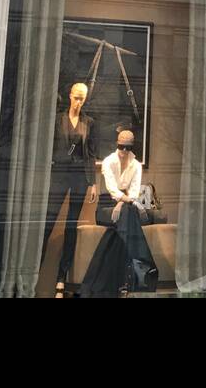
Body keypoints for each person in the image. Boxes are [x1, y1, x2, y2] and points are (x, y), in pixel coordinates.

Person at [80, 130, 158, 297]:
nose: (123, 151)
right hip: (106, 206)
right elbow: (112, 189)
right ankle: (141, 266)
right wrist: (122, 202)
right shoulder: (109, 162)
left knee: (127, 212)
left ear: (131, 147)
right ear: (117, 143)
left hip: (125, 208)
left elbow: (135, 191)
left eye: (127, 148)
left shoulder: (136, 165)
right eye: (121, 146)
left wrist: (122, 204)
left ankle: (119, 279)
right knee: (128, 212)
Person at [40, 82, 98, 297]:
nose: (78, 102)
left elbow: (91, 153)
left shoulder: (88, 123)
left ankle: (61, 278)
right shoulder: (58, 119)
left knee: (71, 226)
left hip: (79, 177)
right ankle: (32, 269)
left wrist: (92, 182)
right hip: (58, 175)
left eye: (82, 98)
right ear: (70, 95)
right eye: (76, 97)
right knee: (48, 221)